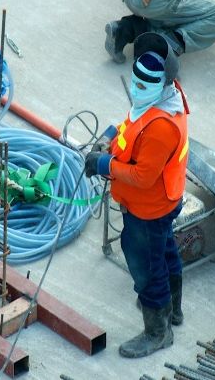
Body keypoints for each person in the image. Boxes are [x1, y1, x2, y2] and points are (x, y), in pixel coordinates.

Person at [85, 32, 189, 358]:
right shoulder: (162, 100)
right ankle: (172, 310)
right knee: (165, 252)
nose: (138, 88)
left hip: (148, 208)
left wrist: (104, 163)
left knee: (147, 269)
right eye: (137, 80)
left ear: (163, 82)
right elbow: (133, 128)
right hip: (162, 203)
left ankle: (158, 332)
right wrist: (112, 137)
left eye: (146, 83)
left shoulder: (161, 126)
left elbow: (144, 177)